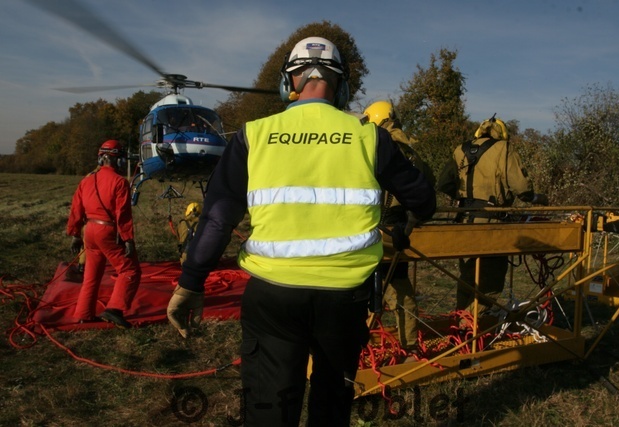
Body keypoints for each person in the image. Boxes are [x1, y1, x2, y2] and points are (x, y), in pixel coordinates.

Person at [166, 36, 436, 426]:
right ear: (342, 87)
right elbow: (424, 199)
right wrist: (405, 219)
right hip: (344, 298)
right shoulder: (369, 136)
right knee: (331, 406)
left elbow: (218, 219)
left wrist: (191, 282)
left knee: (270, 409)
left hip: (273, 296)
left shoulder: (253, 135)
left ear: (287, 82)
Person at [437, 115, 548, 314]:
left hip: (463, 220)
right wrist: (535, 197)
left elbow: (444, 183)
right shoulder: (504, 149)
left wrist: (462, 197)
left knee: (468, 276)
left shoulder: (460, 149)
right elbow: (521, 187)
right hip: (490, 222)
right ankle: (472, 325)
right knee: (490, 281)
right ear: (502, 134)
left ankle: (460, 320)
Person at [363, 100, 436, 350]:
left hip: (373, 226)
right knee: (399, 289)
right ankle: (409, 345)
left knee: (371, 290)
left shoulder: (371, 143)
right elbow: (425, 184)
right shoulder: (408, 147)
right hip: (398, 228)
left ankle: (364, 344)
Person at [67, 140, 141, 328]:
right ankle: (114, 309)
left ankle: (83, 313)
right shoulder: (119, 182)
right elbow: (123, 214)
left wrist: (75, 234)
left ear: (101, 158)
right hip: (107, 230)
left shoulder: (86, 180)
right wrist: (127, 238)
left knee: (91, 275)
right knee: (129, 269)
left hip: (89, 231)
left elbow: (76, 208)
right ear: (118, 160)